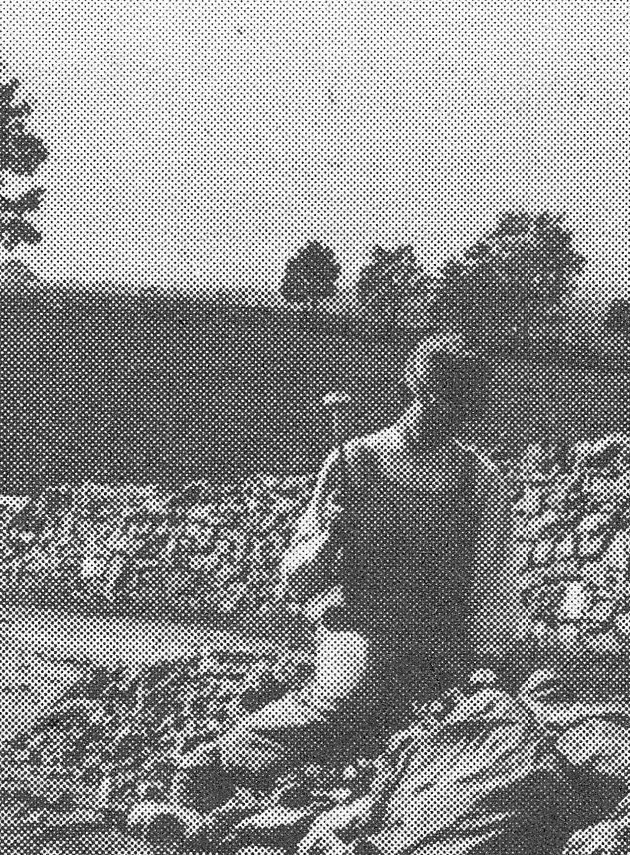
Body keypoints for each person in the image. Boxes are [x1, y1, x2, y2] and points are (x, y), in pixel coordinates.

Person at [177, 332, 529, 813]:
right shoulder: (352, 463)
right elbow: (296, 579)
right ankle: (217, 760)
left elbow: (494, 581)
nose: (446, 418)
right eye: (439, 400)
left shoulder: (483, 480)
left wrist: (490, 654)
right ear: (416, 388)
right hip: (358, 624)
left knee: (473, 719)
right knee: (349, 697)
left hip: (439, 631)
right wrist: (327, 541)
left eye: (460, 408)